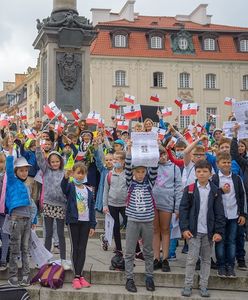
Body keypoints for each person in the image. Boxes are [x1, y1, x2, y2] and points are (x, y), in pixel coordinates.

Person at [179, 160, 225, 298]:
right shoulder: (190, 189)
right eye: (199, 171)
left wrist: (218, 231)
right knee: (191, 259)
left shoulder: (215, 190)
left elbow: (219, 213)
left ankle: (203, 286)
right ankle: (188, 285)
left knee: (206, 259)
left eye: (205, 171)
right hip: (193, 231)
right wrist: (184, 228)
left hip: (209, 232)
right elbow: (183, 210)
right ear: (195, 173)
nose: (202, 174)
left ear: (210, 174)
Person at [124, 140, 158, 293]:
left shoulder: (149, 183)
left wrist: (154, 148)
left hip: (147, 221)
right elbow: (127, 166)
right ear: (133, 172)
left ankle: (149, 277)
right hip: (132, 221)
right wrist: (130, 149)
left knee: (148, 250)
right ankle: (129, 278)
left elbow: (154, 167)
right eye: (137, 171)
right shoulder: (130, 182)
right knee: (130, 251)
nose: (140, 174)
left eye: (143, 171)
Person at [35, 135, 69, 270]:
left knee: (60, 234)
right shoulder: (46, 170)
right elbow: (39, 159)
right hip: (48, 204)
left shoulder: (64, 172)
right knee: (48, 234)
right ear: (49, 162)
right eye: (52, 161)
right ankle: (45, 259)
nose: (55, 163)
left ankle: (64, 259)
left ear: (60, 161)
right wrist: (38, 145)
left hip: (61, 206)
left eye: (57, 161)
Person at [61, 162, 96, 289]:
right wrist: (66, 177)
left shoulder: (89, 190)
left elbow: (91, 209)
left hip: (86, 222)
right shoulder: (70, 187)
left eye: (82, 173)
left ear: (85, 174)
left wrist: (93, 225)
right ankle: (76, 277)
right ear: (73, 173)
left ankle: (80, 275)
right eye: (78, 173)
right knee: (75, 248)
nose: (80, 176)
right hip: (74, 221)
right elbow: (63, 188)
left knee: (82, 249)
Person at [6, 143, 37, 287]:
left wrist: (34, 219)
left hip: (27, 220)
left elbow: (31, 205)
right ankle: (12, 276)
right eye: (21, 170)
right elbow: (8, 167)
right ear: (16, 171)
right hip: (16, 220)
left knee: (25, 249)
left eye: (26, 170)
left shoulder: (28, 185)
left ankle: (25, 275)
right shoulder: (12, 182)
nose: (24, 173)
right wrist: (11, 152)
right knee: (15, 249)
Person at [212, 152, 246, 278]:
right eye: (223, 162)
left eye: (228, 162)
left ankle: (230, 266)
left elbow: (242, 197)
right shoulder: (214, 178)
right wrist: (220, 191)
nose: (226, 165)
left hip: (233, 215)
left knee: (231, 241)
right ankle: (221, 266)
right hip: (219, 217)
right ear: (218, 164)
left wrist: (243, 214)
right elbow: (211, 195)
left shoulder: (237, 179)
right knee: (220, 241)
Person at [152, 146, 182, 272]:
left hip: (167, 203)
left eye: (163, 154)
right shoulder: (152, 167)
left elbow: (178, 188)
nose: (162, 156)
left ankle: (165, 258)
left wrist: (177, 207)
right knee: (155, 230)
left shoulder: (175, 168)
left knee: (165, 230)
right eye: (159, 154)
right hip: (153, 203)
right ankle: (156, 258)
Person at [103, 151, 127, 255]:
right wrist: (105, 205)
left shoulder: (127, 174)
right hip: (112, 204)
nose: (115, 161)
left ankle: (136, 249)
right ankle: (118, 248)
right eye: (114, 159)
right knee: (115, 226)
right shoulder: (109, 174)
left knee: (129, 225)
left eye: (117, 159)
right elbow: (106, 190)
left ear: (123, 161)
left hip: (125, 204)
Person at [0, 153, 8, 271]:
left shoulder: (7, 176)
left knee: (5, 235)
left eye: (2, 161)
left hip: (3, 210)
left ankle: (3, 260)